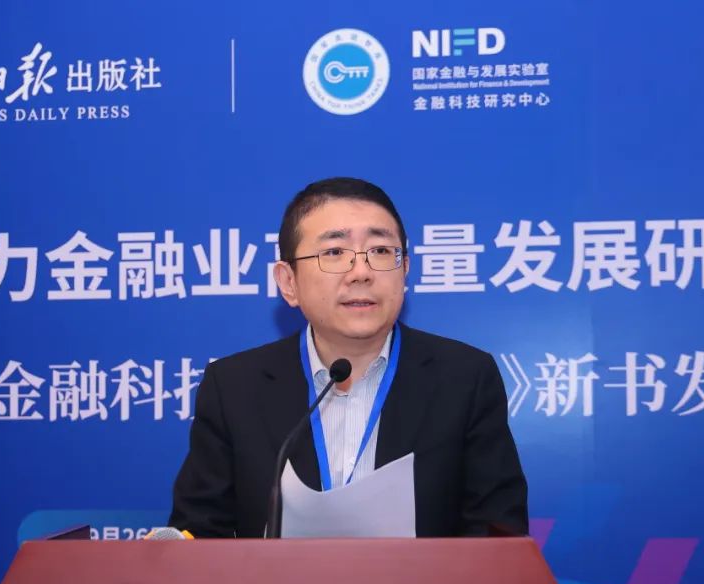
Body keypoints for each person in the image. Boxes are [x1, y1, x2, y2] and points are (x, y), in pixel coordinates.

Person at [168, 177, 528, 538]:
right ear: (288, 282)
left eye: (381, 250)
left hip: (423, 579)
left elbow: (498, 535)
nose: (361, 272)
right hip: (276, 579)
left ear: (405, 270)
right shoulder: (234, 387)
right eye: (334, 253)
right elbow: (197, 532)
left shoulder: (464, 379)